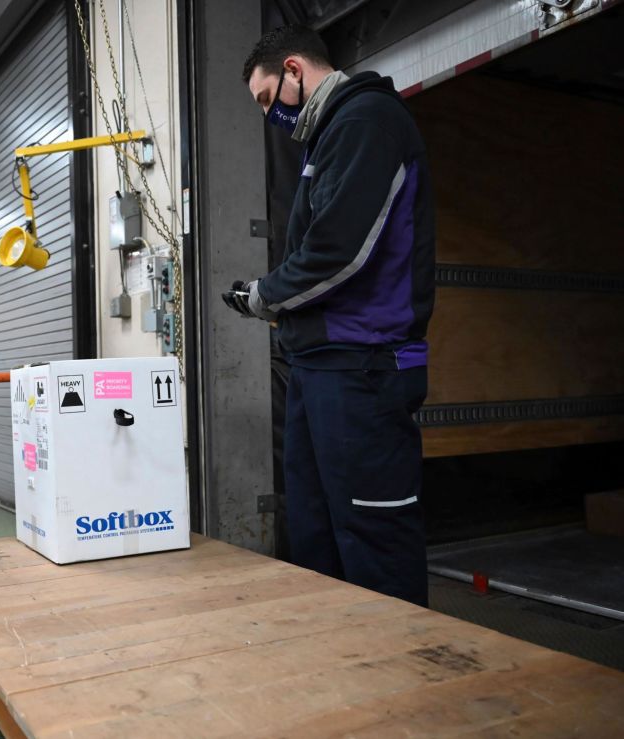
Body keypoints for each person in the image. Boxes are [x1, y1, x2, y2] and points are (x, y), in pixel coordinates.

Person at [222, 25, 436, 607]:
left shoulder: (365, 122)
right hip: (322, 367)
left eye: (269, 100)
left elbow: (340, 251)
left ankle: (397, 671)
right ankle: (336, 666)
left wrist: (265, 294)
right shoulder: (330, 138)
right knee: (317, 533)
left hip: (363, 367)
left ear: (294, 69)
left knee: (373, 535)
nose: (271, 117)